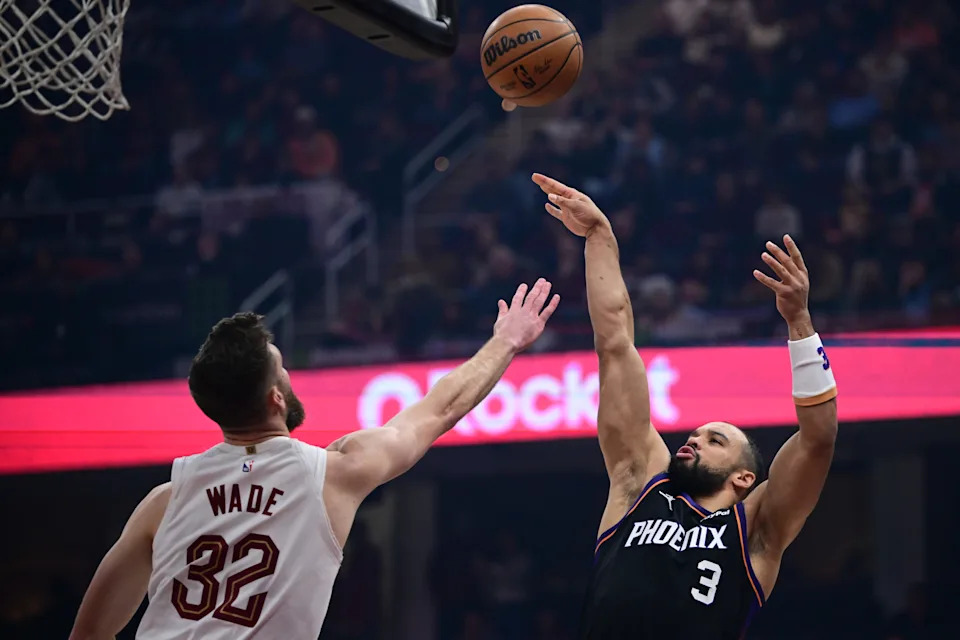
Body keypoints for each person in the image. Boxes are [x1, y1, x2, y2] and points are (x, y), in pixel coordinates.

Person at [68, 279, 560, 640]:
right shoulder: (332, 474)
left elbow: (89, 634)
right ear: (276, 400)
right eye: (283, 370)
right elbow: (443, 408)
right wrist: (506, 340)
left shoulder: (164, 501)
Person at [533, 173, 838, 639]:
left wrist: (799, 321)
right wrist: (600, 237)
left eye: (715, 440)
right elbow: (615, 344)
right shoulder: (639, 481)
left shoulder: (755, 526)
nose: (693, 439)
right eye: (695, 434)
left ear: (744, 478)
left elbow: (818, 439)